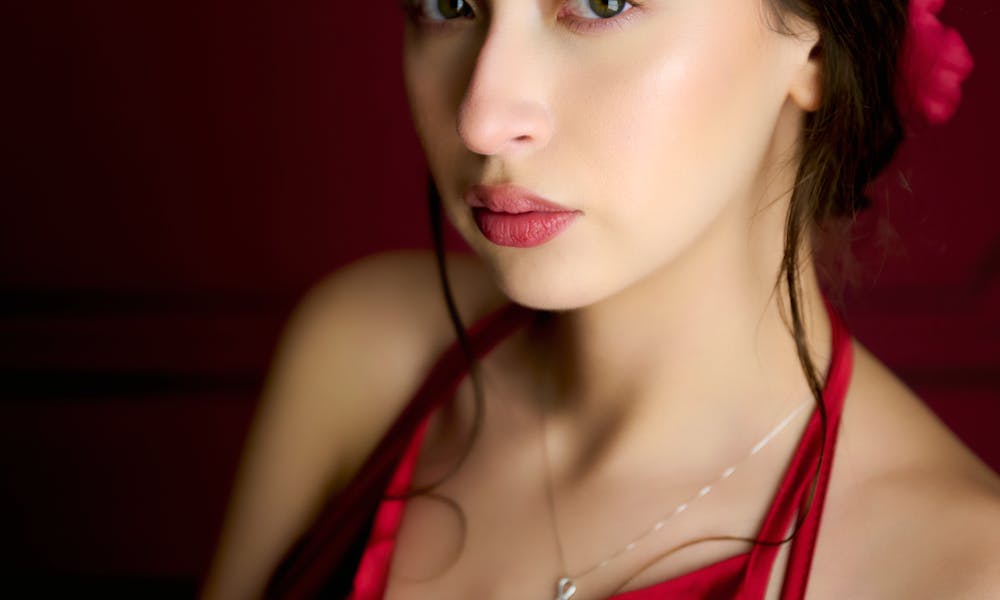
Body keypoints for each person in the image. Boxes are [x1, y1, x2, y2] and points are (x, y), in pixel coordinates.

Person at [201, 0, 999, 598]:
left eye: (602, 0)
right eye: (448, 2)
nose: (481, 118)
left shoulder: (957, 570)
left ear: (817, 42)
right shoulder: (361, 358)